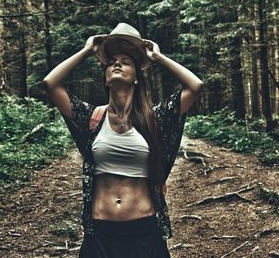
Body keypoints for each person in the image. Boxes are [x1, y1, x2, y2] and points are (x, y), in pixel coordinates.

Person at [43, 23, 203, 258]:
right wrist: (87, 51)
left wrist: (157, 57)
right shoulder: (93, 118)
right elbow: (50, 84)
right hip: (100, 234)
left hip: (145, 232)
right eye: (111, 62)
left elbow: (195, 86)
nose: (116, 63)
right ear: (106, 79)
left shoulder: (155, 119)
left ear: (137, 77)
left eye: (126, 61)